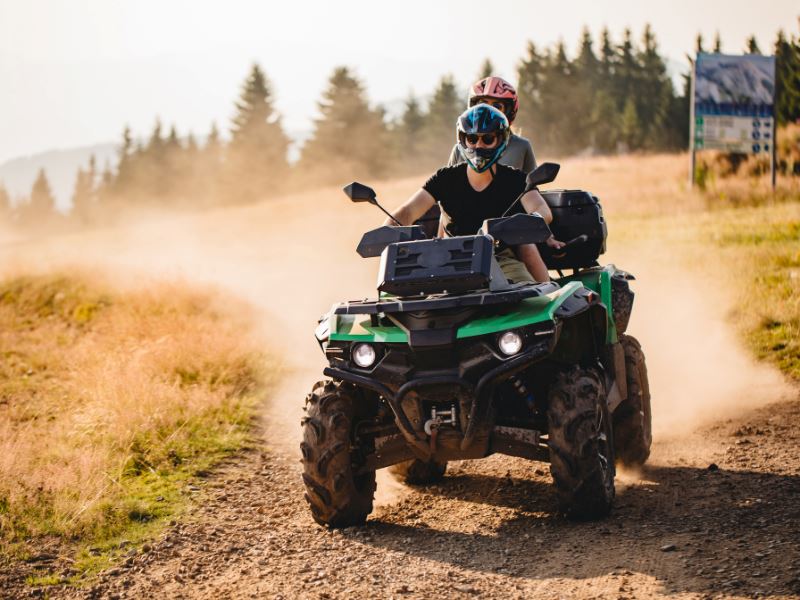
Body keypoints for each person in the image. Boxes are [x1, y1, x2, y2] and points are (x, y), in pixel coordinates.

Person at [386, 104, 563, 283]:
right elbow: (408, 211)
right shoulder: (445, 178)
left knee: (530, 300)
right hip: (450, 262)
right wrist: (388, 227)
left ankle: (550, 296)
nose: (478, 145)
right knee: (423, 307)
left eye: (487, 139)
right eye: (472, 138)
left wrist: (526, 220)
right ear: (463, 140)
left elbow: (542, 209)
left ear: (501, 140)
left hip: (501, 260)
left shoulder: (515, 179)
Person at [446, 76, 536, 173]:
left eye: (497, 106)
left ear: (510, 112)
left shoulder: (521, 146)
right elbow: (447, 184)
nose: (488, 111)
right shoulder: (460, 149)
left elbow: (532, 184)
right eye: (482, 104)